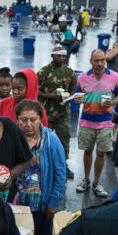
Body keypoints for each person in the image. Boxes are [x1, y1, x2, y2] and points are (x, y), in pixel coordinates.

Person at [14, 100, 66, 235]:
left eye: (33, 119)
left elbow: (60, 174)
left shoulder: (51, 141)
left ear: (40, 119)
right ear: (17, 120)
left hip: (40, 205)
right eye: (24, 120)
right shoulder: (14, 139)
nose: (29, 124)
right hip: (16, 203)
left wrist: (53, 202)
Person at [74, 49, 118, 197]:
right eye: (96, 60)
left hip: (106, 122)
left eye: (102, 60)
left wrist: (114, 101)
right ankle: (86, 180)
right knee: (87, 151)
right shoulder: (82, 77)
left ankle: (96, 182)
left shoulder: (114, 77)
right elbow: (78, 95)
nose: (100, 63)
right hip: (87, 121)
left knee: (101, 153)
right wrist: (78, 99)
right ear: (91, 61)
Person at [37, 45, 76, 178]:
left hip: (63, 113)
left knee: (64, 140)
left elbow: (72, 90)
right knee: (43, 140)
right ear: (52, 56)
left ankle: (64, 166)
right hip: (45, 113)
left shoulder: (70, 72)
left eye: (64, 55)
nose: (62, 58)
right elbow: (36, 90)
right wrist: (50, 96)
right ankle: (42, 166)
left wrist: (69, 97)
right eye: (58, 55)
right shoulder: (43, 72)